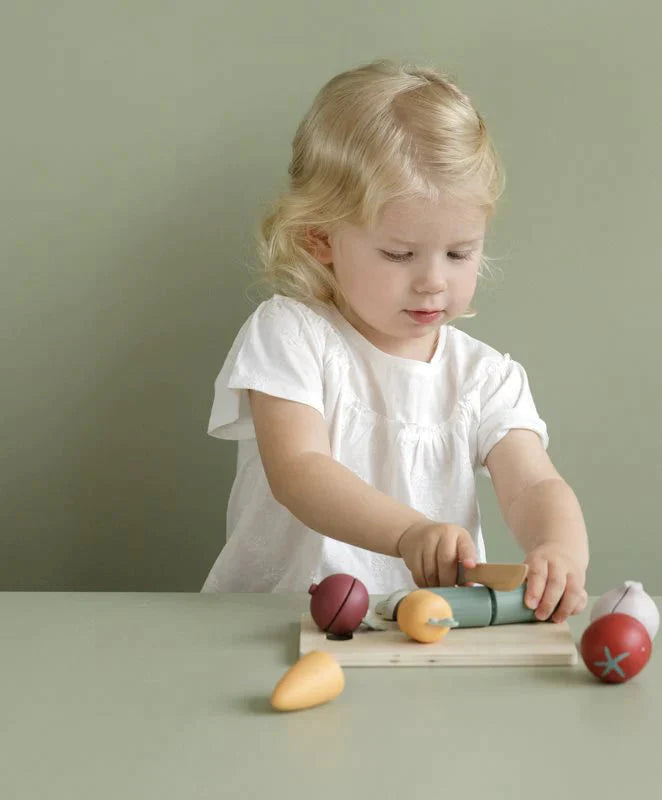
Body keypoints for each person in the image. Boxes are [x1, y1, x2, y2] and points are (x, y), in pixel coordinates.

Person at [203, 58, 589, 624]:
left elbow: (533, 483)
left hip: (423, 633)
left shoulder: (484, 377)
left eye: (460, 253)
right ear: (321, 239)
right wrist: (408, 532)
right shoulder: (290, 333)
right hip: (272, 624)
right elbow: (300, 468)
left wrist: (559, 551)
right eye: (399, 254)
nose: (433, 280)